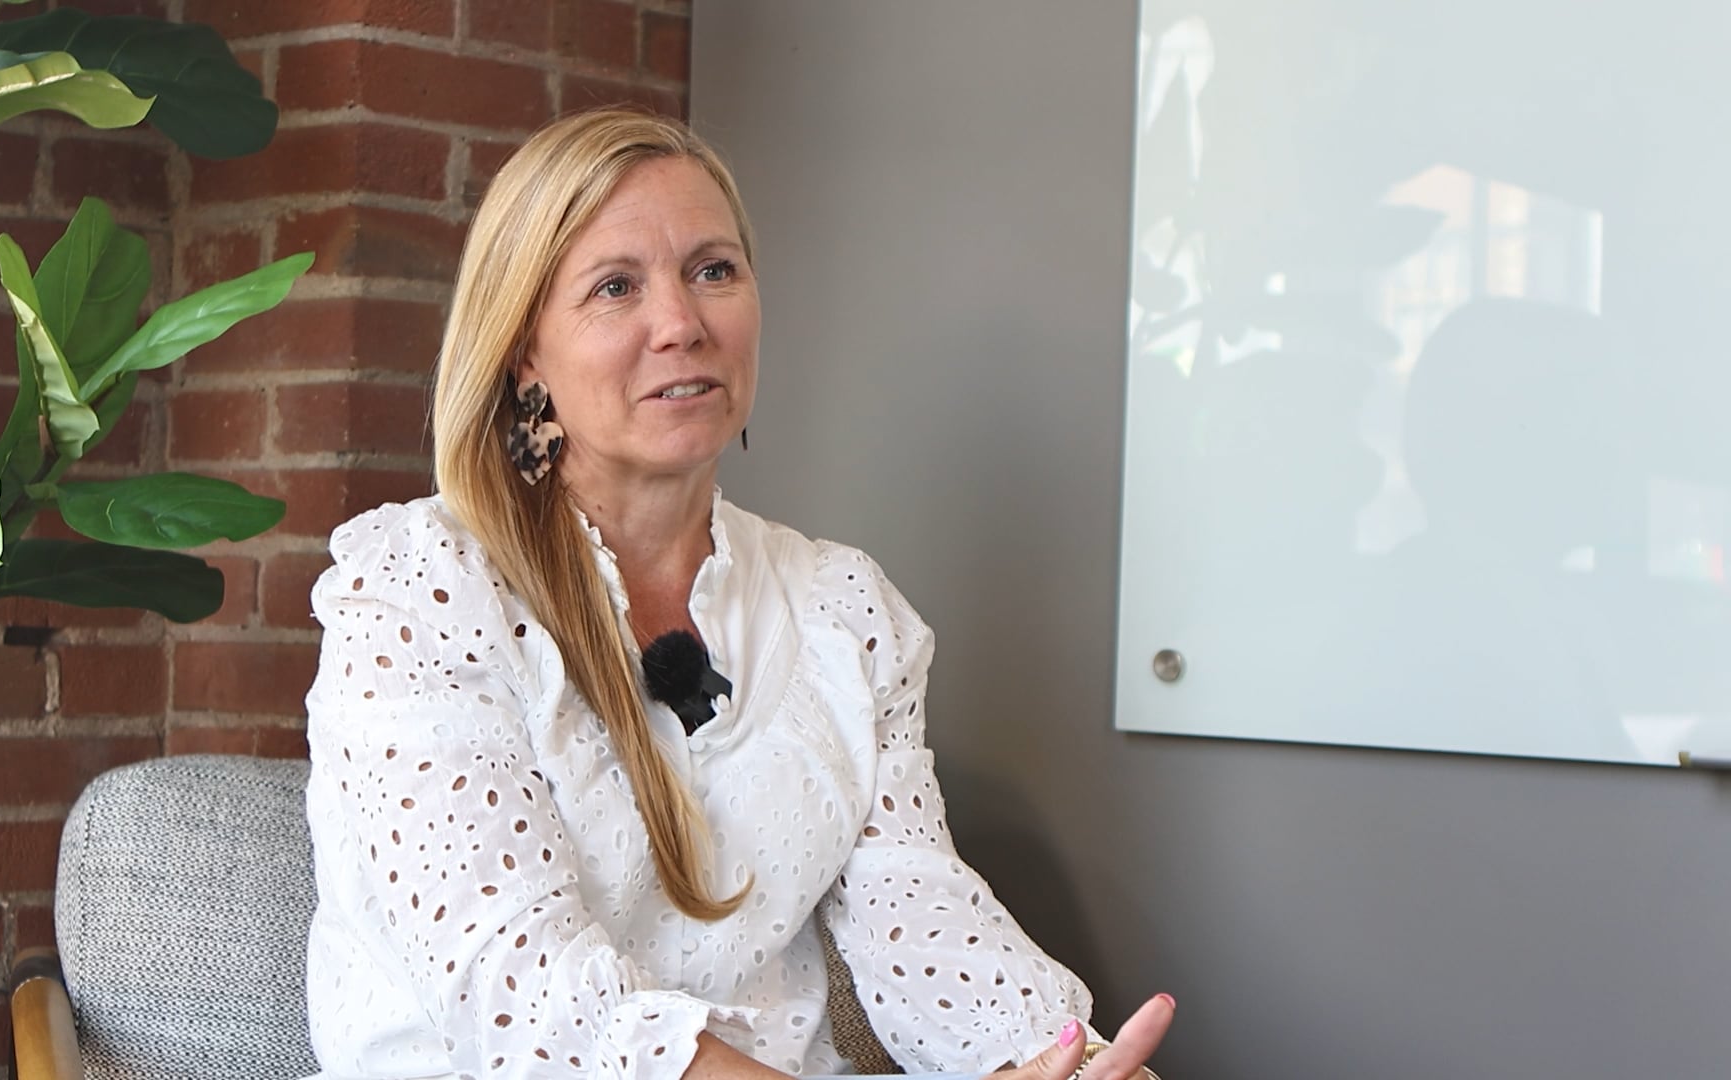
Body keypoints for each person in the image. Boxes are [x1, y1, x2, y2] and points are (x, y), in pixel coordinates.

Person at [301, 108, 1174, 1080]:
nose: (681, 324)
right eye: (615, 286)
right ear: (525, 354)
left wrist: (1056, 1059)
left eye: (713, 270)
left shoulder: (844, 609)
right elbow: (520, 995)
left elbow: (922, 925)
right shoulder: (419, 591)